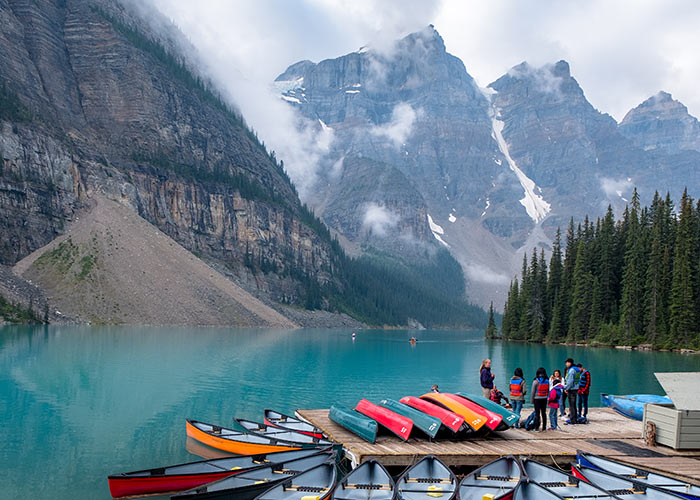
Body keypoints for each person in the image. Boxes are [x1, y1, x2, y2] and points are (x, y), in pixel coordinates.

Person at [531, 367, 549, 432]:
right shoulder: (547, 380)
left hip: (537, 399)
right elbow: (548, 390)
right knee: (544, 413)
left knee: (537, 413)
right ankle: (544, 428)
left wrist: (532, 400)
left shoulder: (536, 381)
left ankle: (536, 428)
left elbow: (533, 391)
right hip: (544, 398)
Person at [564, 358, 580, 424]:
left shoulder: (571, 370)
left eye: (567, 362)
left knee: (571, 405)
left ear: (570, 363)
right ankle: (575, 417)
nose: (566, 364)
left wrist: (566, 388)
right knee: (574, 404)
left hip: (571, 389)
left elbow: (570, 381)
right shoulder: (577, 369)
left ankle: (572, 419)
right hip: (576, 388)